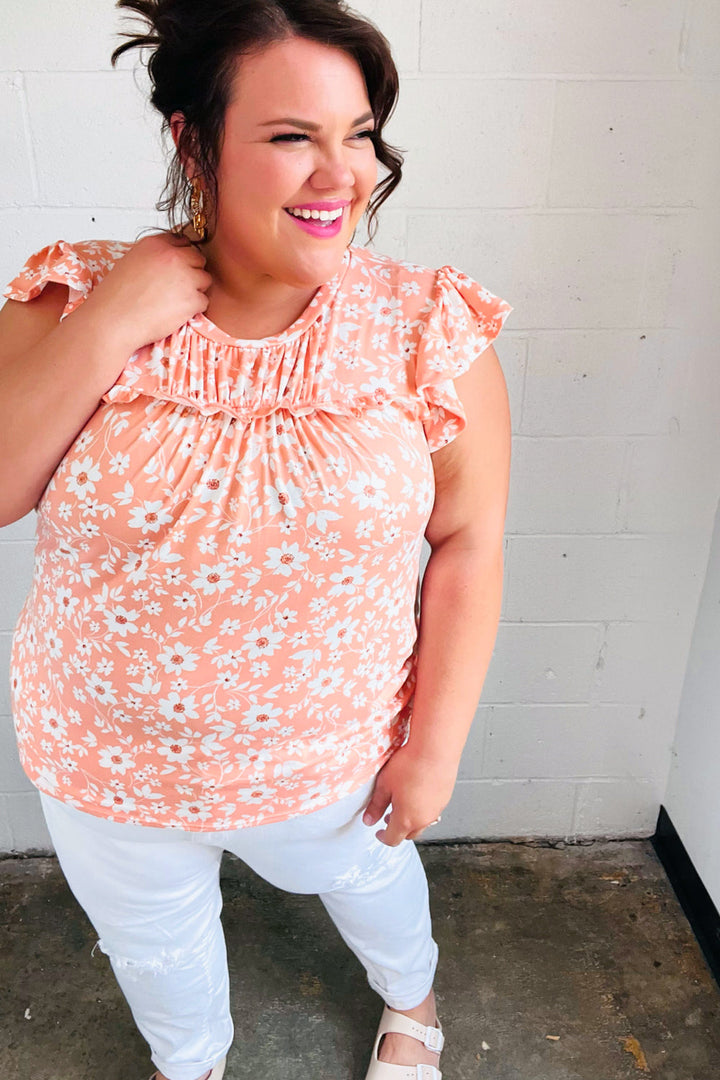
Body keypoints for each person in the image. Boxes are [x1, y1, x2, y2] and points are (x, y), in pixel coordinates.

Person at [0, 1, 513, 1078]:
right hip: (104, 762)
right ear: (195, 142)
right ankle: (189, 1063)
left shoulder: (423, 329)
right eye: (291, 136)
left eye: (358, 134)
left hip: (331, 757)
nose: (341, 174)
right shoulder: (73, 297)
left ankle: (412, 1001)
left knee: (372, 885)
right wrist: (112, 322)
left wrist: (434, 747)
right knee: (155, 949)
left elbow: (469, 540)